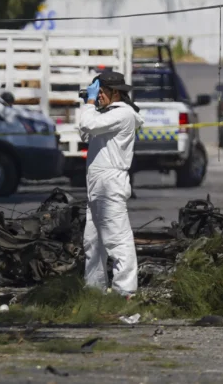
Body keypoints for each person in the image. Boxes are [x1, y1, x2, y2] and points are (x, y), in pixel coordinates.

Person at [78, 71, 145, 297]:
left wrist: (88, 103)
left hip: (109, 184)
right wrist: (92, 106)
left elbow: (89, 125)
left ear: (115, 92)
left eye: (101, 92)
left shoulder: (123, 114)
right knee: (93, 243)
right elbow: (85, 133)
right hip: (97, 184)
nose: (98, 97)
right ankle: (94, 291)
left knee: (117, 240)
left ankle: (125, 292)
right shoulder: (106, 115)